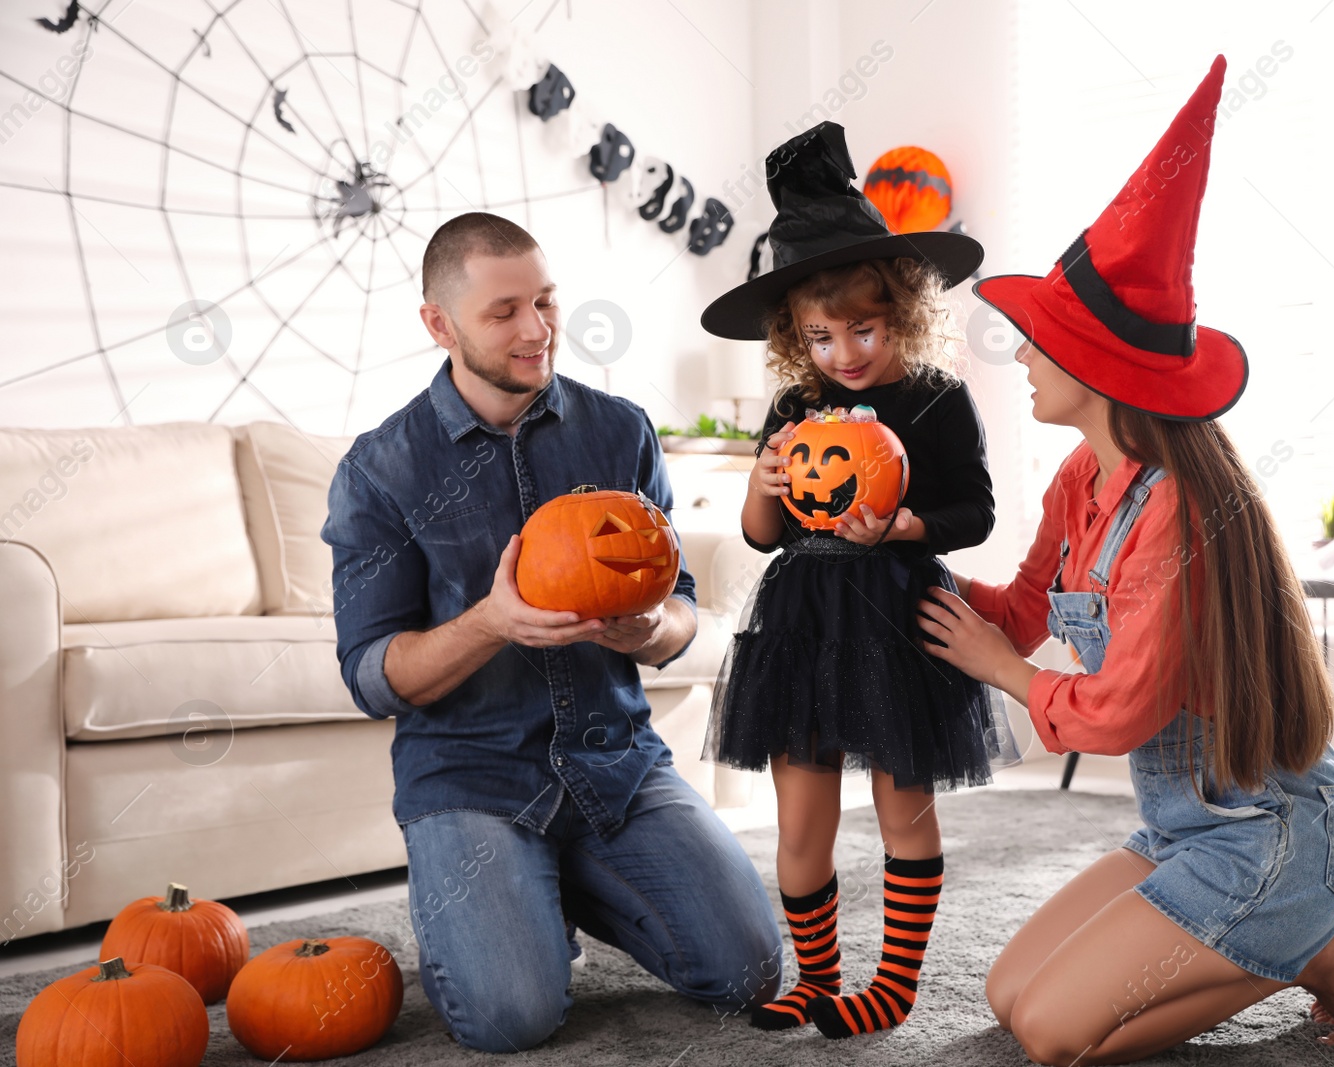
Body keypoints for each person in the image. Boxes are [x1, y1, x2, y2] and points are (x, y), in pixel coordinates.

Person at [914, 57, 1334, 1063]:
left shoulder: (1177, 513)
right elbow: (1024, 607)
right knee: (1009, 992)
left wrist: (1001, 671)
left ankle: (1319, 947)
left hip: (1271, 837)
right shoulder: (1080, 479)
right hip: (1188, 829)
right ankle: (1301, 939)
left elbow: (1118, 708)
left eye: (1039, 339)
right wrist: (905, 560)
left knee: (1052, 1036)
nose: (1024, 355)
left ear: (1096, 366)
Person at [322, 211, 781, 1052]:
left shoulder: (620, 431)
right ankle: (500, 891)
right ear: (439, 324)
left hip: (618, 764)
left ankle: (548, 884)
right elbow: (372, 676)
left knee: (751, 971)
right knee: (511, 1017)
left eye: (546, 301)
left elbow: (680, 609)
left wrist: (649, 630)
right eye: (503, 312)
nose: (536, 329)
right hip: (473, 775)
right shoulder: (381, 469)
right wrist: (490, 623)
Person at [700, 121, 1015, 1040]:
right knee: (801, 820)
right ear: (796, 336)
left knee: (902, 806)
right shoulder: (795, 408)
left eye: (864, 329)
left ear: (905, 311)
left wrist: (909, 522)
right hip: (802, 623)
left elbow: (976, 510)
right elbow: (763, 538)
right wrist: (760, 489)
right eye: (820, 335)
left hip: (896, 621)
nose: (844, 352)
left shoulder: (935, 398)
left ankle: (896, 981)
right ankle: (816, 974)